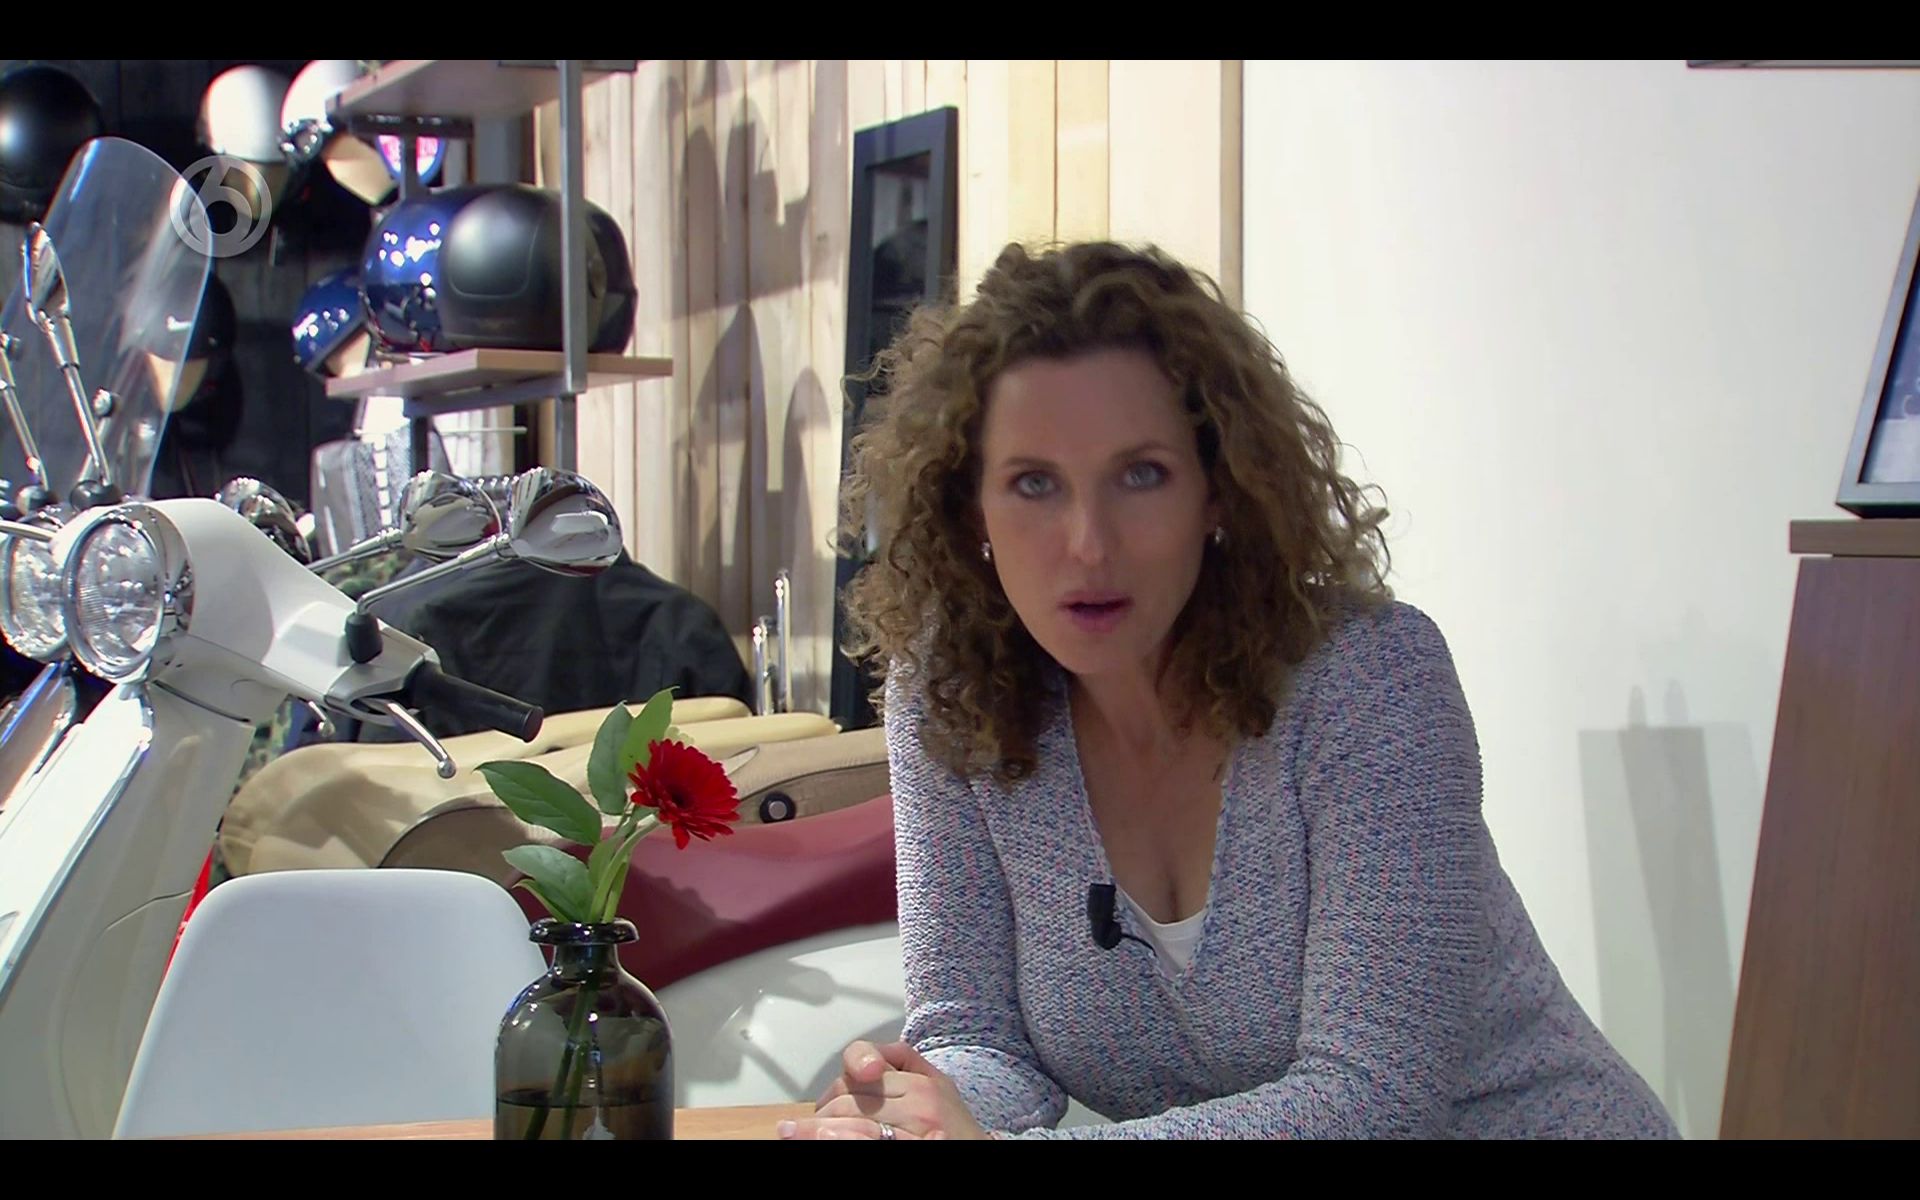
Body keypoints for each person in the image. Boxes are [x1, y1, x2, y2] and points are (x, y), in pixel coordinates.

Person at [780, 240, 1679, 1141]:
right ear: (968, 506)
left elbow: (1375, 1098)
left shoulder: (1368, 677)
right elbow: (977, 1037)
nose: (1088, 543)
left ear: (1218, 492)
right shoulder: (951, 696)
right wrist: (913, 1121)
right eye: (1034, 484)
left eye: (1141, 475)